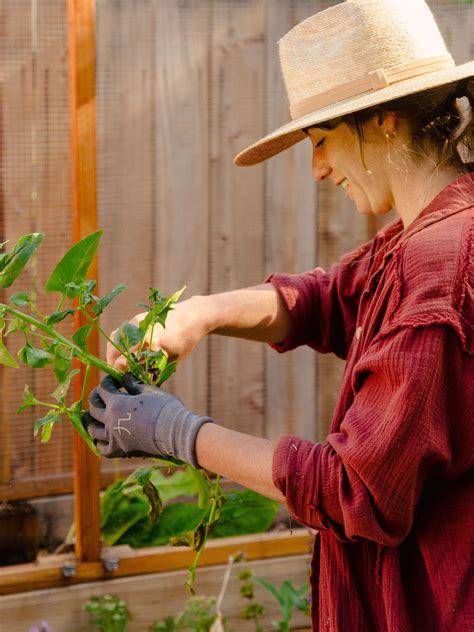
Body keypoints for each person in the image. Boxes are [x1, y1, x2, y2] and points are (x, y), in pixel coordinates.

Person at [83, 1, 474, 630]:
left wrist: (178, 434)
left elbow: (357, 490)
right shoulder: (428, 233)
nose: (317, 168)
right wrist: (199, 314)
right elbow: (331, 300)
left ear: (387, 124)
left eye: (322, 140)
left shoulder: (439, 267)